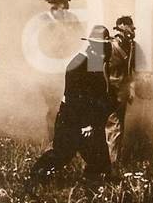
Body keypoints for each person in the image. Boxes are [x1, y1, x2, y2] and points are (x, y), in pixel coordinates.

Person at [31, 25, 115, 181]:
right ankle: (34, 178)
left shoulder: (96, 61)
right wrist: (85, 124)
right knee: (61, 155)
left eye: (105, 44)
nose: (105, 48)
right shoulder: (78, 64)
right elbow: (73, 99)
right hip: (71, 119)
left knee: (100, 160)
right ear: (91, 44)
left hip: (88, 120)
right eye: (100, 45)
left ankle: (95, 189)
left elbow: (97, 93)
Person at [37, 0, 84, 137]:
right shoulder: (44, 21)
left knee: (69, 104)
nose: (65, 5)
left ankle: (67, 141)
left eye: (65, 1)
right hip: (50, 70)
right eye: (62, 1)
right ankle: (53, 140)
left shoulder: (72, 19)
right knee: (53, 107)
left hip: (68, 68)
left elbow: (80, 39)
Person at [105, 15, 139, 169]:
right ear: (122, 27)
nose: (133, 29)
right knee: (114, 128)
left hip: (122, 93)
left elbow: (132, 71)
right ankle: (111, 164)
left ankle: (112, 161)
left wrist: (131, 88)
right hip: (109, 92)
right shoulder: (110, 46)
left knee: (118, 127)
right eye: (130, 27)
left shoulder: (132, 47)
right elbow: (99, 70)